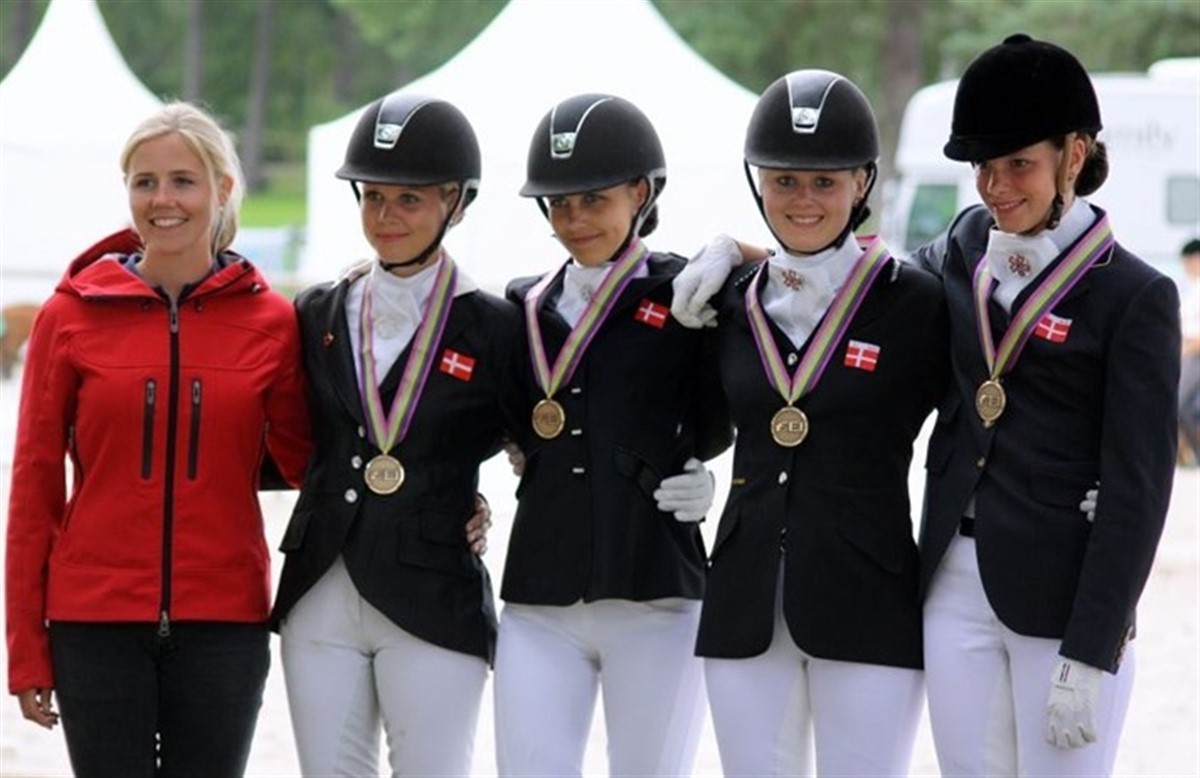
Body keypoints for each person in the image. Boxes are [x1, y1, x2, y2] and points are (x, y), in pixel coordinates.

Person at [673, 34, 1180, 778]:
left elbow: (1141, 484)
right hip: (951, 584)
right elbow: (855, 280)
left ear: (1074, 156)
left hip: (1060, 587)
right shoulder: (966, 245)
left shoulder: (1135, 296)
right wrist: (743, 254)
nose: (996, 187)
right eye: (983, 167)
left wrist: (1095, 644)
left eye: (1018, 165)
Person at [5, 102, 312, 776]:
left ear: (222, 189)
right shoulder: (68, 317)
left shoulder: (272, 321)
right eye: (145, 182)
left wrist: (449, 493)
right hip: (94, 625)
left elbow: (309, 463)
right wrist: (26, 648)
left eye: (183, 181)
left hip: (225, 622)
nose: (162, 200)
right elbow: (33, 487)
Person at [690, 70, 947, 777]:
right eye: (784, 181)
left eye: (824, 183)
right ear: (759, 185)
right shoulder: (728, 297)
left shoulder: (916, 303)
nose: (803, 200)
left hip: (867, 597)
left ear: (861, 184)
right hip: (743, 599)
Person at [269, 90, 519, 776]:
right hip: (321, 584)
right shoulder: (318, 311)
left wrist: (476, 501)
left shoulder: (495, 327)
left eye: (409, 199)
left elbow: (538, 442)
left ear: (455, 203)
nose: (386, 217)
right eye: (374, 197)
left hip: (433, 586)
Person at [493, 93, 733, 778]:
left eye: (593, 200)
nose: (574, 220)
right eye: (559, 204)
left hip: (655, 587)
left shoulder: (688, 294)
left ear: (640, 193)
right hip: (540, 595)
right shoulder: (523, 306)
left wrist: (714, 472)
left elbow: (741, 399)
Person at [1178, 237, 1200, 466]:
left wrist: (1186, 350)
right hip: (1185, 350)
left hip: (1194, 353)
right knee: (1189, 407)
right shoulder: (1188, 290)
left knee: (1180, 403)